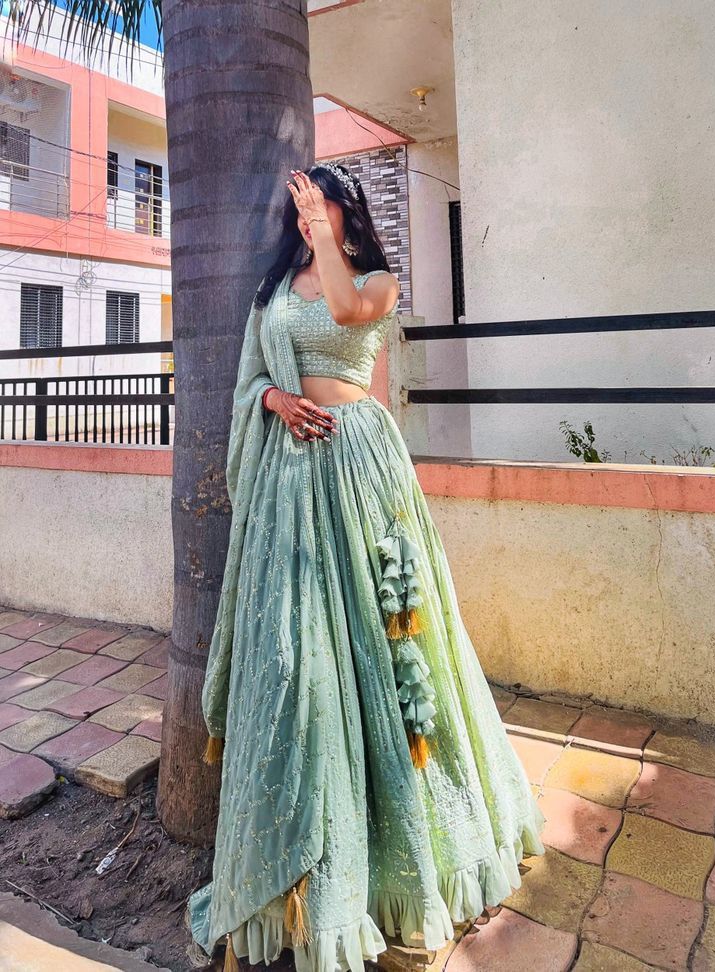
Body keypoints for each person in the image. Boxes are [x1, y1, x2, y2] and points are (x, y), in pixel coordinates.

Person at [185, 162, 545, 972]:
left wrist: (324, 234)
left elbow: (347, 313)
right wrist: (272, 402)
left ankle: (396, 860)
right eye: (304, 205)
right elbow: (251, 379)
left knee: (389, 655)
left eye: (327, 203)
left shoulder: (375, 283)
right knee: (292, 658)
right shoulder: (273, 291)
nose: (311, 216)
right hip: (288, 484)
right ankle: (288, 862)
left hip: (360, 474)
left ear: (347, 213)